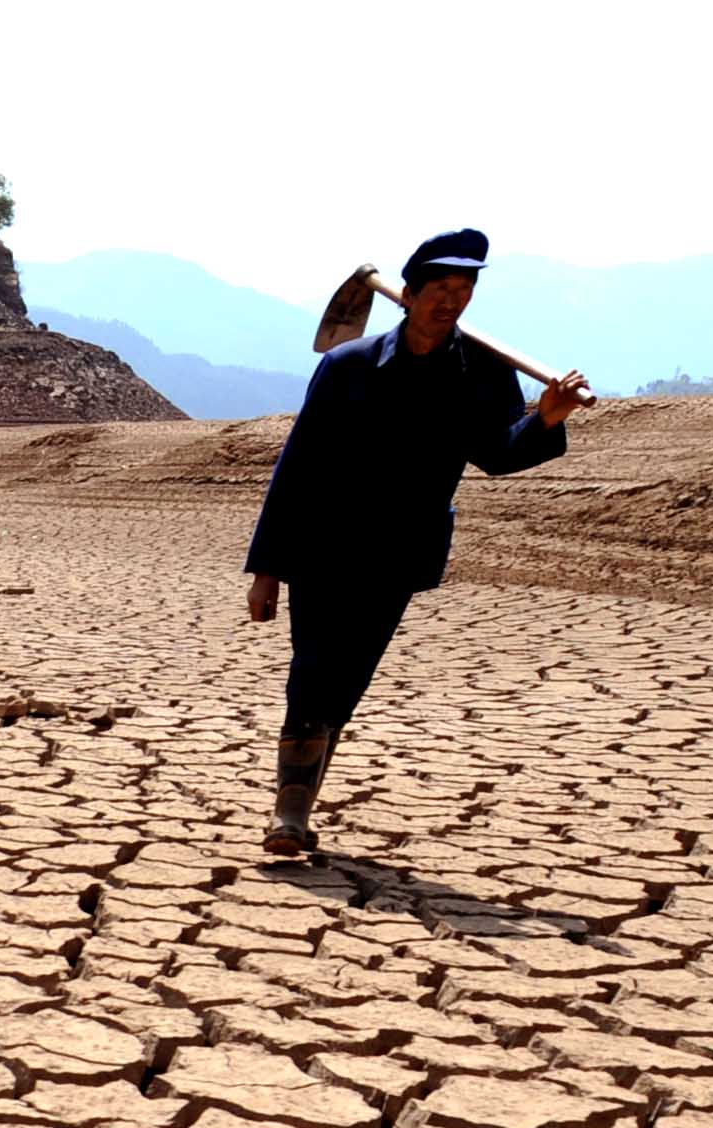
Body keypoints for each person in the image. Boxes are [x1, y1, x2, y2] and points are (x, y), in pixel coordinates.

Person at [243, 229, 590, 857]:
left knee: (346, 679)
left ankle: (299, 801)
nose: (451, 301)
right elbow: (298, 466)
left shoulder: (484, 371)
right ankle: (289, 813)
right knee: (313, 669)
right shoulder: (347, 366)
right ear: (408, 294)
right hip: (323, 547)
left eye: (464, 290)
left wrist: (544, 420)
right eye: (440, 289)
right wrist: (266, 566)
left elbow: (498, 455)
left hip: (400, 553)